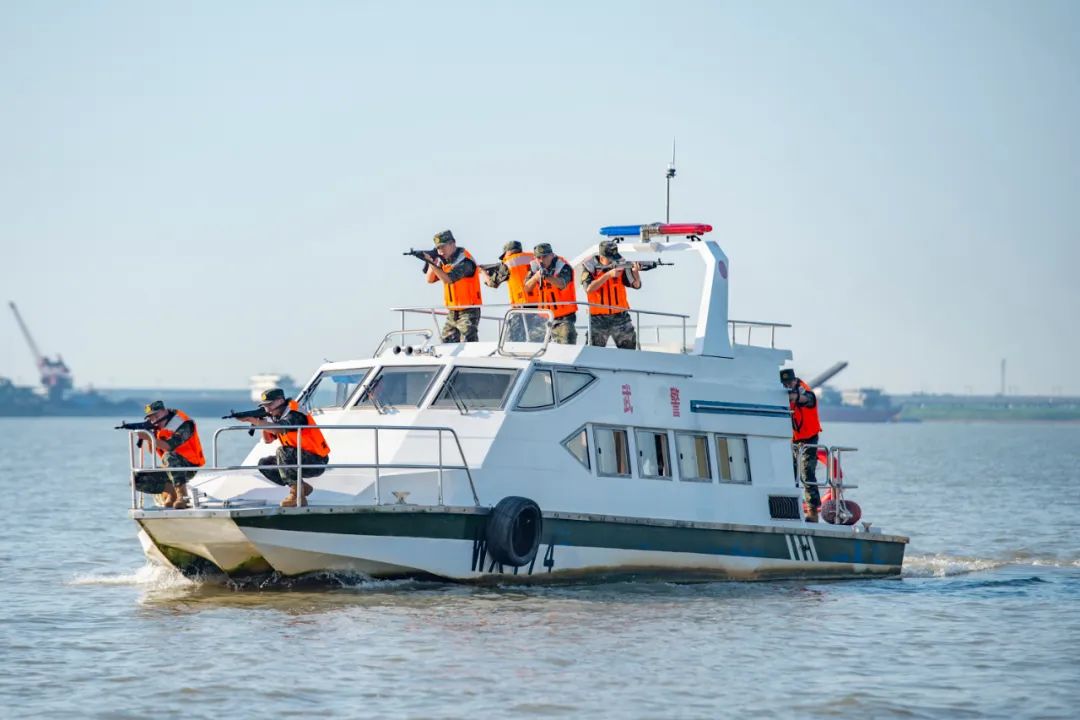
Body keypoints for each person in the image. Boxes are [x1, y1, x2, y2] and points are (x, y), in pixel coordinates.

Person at [240, 388, 331, 507]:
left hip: (316, 461)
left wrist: (255, 421)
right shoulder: (277, 416)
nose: (268, 409)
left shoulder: (295, 413)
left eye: (270, 405)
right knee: (264, 464)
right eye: (265, 406)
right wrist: (262, 421)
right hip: (298, 458)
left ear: (280, 401)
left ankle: (296, 495)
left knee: (282, 451)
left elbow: (280, 428)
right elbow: (268, 440)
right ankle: (302, 487)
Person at [137, 400, 205, 510]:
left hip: (188, 466)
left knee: (169, 456)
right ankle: (172, 493)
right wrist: (149, 434)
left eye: (156, 416)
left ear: (164, 411)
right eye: (151, 418)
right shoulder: (157, 426)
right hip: (169, 467)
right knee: (137, 478)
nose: (154, 420)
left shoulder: (184, 423)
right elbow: (151, 451)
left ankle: (182, 496)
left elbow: (169, 446)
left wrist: (150, 438)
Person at [578, 240, 641, 349]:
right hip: (598, 318)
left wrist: (636, 272)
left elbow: (636, 285)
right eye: (610, 258)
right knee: (594, 352)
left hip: (620, 316)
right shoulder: (589, 267)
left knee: (629, 351)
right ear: (602, 257)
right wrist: (608, 275)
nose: (613, 260)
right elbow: (588, 289)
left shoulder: (621, 264)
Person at [425, 230, 482, 343]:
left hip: (468, 311)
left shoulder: (465, 261)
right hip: (452, 311)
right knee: (446, 343)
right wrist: (433, 262)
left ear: (452, 243)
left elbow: (448, 279)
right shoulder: (444, 261)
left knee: (468, 343)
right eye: (438, 248)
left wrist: (430, 263)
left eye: (443, 247)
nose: (441, 251)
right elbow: (429, 280)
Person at [781, 368, 823, 522]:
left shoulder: (804, 390)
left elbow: (808, 399)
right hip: (792, 438)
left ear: (795, 381)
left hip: (809, 437)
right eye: (785, 384)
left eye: (790, 383)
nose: (788, 386)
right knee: (789, 473)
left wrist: (795, 397)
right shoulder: (780, 393)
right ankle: (790, 508)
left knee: (807, 472)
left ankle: (812, 511)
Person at [484, 240, 543, 341]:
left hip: (522, 305)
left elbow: (493, 283)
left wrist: (483, 272)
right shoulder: (533, 258)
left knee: (513, 339)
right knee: (537, 338)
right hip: (540, 305)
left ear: (508, 252)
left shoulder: (508, 263)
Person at [524, 243, 578, 344]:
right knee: (533, 344)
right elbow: (527, 288)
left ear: (552, 255)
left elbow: (562, 284)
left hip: (564, 318)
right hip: (543, 317)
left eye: (544, 256)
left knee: (567, 344)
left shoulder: (563, 267)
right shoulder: (534, 268)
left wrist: (547, 277)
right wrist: (536, 277)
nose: (541, 260)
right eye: (538, 257)